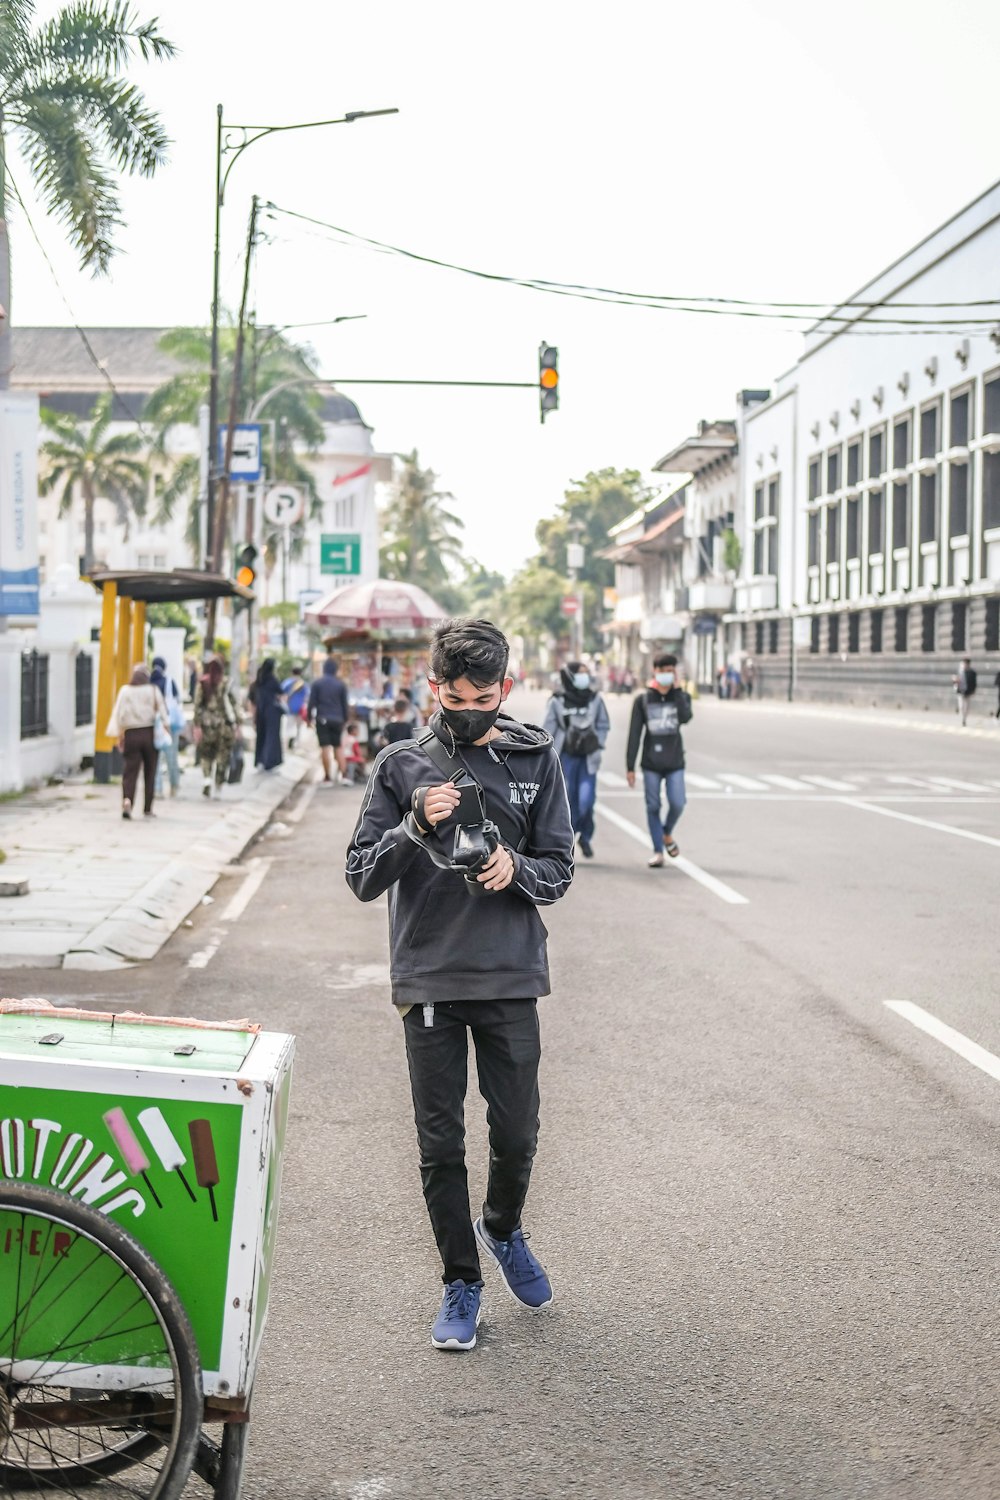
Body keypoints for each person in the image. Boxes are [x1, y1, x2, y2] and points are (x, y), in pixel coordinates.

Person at [345, 617, 574, 1352]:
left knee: (517, 1133)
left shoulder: (535, 759)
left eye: (483, 694)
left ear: (505, 689)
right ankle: (461, 1279)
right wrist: (412, 826)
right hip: (431, 976)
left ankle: (501, 1227)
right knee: (440, 1145)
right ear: (434, 687)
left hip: (510, 974)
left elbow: (559, 867)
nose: (468, 706)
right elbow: (359, 876)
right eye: (454, 693)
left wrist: (519, 872)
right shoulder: (401, 766)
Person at [626, 653, 693, 868]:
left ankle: (666, 833)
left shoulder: (680, 696)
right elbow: (635, 733)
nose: (666, 675)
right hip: (651, 763)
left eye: (670, 671)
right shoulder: (643, 699)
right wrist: (630, 766)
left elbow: (686, 717)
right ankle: (658, 851)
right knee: (653, 805)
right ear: (655, 671)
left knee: (678, 802)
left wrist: (679, 690)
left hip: (675, 762)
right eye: (662, 671)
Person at [542, 661, 610, 859]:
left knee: (586, 802)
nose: (585, 677)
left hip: (588, 759)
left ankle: (585, 836)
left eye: (587, 673)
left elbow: (603, 724)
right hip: (566, 759)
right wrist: (545, 756)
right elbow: (548, 730)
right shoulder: (557, 701)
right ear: (570, 677)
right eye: (581, 673)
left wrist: (598, 743)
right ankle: (569, 841)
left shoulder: (595, 699)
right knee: (568, 803)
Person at [106, 663, 170, 820]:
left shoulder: (125, 691)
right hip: (149, 734)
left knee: (129, 771)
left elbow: (118, 714)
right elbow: (163, 712)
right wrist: (167, 729)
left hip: (131, 734)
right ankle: (147, 808)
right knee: (150, 771)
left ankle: (127, 800)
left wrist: (118, 734)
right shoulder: (153, 690)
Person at [193, 658, 239, 796]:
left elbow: (197, 706)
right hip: (224, 727)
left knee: (206, 755)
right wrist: (238, 723)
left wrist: (197, 725)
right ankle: (218, 786)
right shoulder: (225, 683)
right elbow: (233, 704)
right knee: (222, 756)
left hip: (207, 725)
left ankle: (207, 779)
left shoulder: (202, 683)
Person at [308, 654, 350, 783]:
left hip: (322, 718)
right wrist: (345, 720)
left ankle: (327, 777)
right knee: (338, 747)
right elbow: (345, 704)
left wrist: (309, 718)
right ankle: (343, 775)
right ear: (335, 669)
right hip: (338, 719)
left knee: (325, 747)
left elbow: (312, 702)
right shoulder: (341, 684)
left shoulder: (317, 683)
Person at [150, 655, 184, 798]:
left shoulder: (148, 682)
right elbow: (177, 701)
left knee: (155, 761)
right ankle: (174, 786)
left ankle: (157, 790)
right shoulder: (169, 682)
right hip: (169, 726)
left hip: (153, 726)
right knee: (171, 759)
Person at [252, 659, 285, 771]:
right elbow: (281, 692)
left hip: (260, 711)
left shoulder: (259, 680)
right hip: (272, 712)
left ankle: (260, 760)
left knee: (261, 736)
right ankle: (269, 761)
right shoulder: (272, 679)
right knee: (272, 737)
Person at [281, 665, 310, 751]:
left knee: (289, 726)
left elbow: (281, 694)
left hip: (289, 708)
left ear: (291, 672)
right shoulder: (303, 683)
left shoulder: (287, 682)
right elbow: (307, 696)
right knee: (298, 727)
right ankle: (296, 743)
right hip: (300, 708)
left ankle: (289, 741)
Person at [953, 657, 977, 726]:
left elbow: (974, 683)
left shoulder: (972, 672)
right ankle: (962, 718)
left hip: (968, 692)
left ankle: (964, 718)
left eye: (966, 663)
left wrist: (974, 691)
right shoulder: (959, 672)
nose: (965, 665)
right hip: (960, 691)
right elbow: (954, 682)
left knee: (967, 707)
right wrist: (955, 681)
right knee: (961, 706)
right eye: (964, 663)